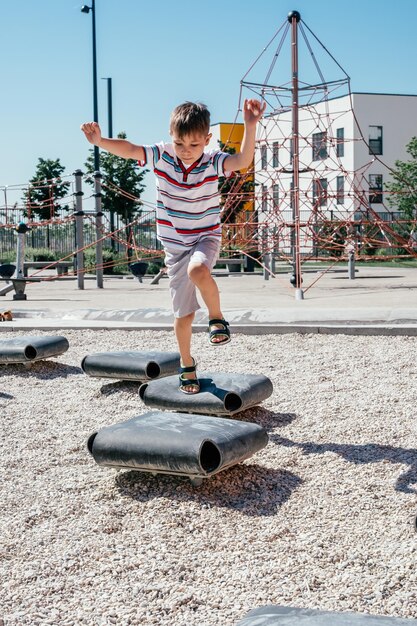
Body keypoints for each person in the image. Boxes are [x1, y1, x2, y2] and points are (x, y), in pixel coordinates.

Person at [81, 98, 265, 394]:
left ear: (206, 140)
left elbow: (242, 161)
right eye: (180, 144)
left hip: (205, 236)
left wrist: (250, 125)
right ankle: (187, 363)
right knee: (183, 316)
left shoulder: (212, 160)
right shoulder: (162, 156)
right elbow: (129, 150)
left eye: (194, 145)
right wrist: (100, 141)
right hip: (175, 245)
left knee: (198, 270)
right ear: (171, 137)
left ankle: (217, 318)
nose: (186, 152)